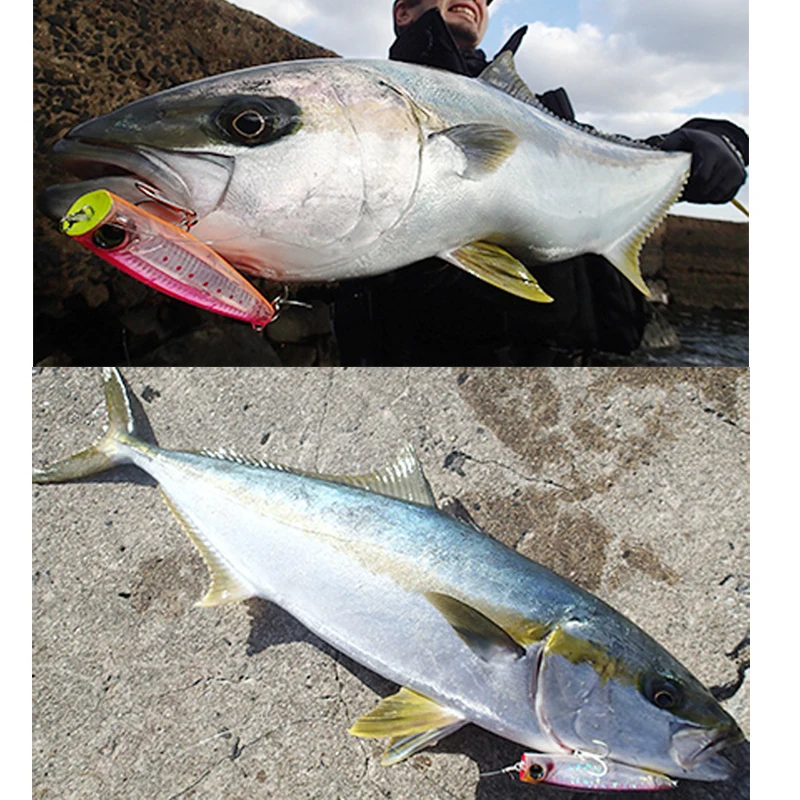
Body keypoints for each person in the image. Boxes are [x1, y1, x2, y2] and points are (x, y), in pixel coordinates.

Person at [330, 0, 749, 365]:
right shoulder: (364, 109)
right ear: (403, 11)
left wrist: (707, 142)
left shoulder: (544, 116)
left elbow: (616, 157)